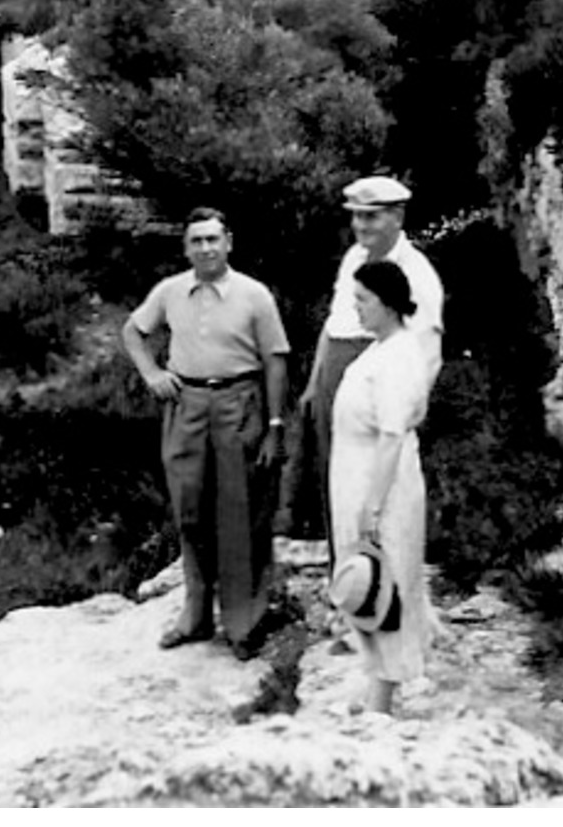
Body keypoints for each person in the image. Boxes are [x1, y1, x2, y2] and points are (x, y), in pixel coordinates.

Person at [123, 207, 290, 661]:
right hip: (186, 405)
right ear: (185, 247)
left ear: (229, 242)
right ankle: (195, 616)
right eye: (196, 241)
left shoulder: (254, 295)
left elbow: (276, 360)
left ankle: (243, 623)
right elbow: (133, 332)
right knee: (190, 509)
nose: (205, 249)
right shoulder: (171, 291)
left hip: (240, 402)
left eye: (213, 239)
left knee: (240, 511)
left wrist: (275, 426)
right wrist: (152, 373)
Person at [283, 175, 444, 557]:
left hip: (378, 385)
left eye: (371, 217)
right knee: (337, 480)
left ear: (397, 217)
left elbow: (425, 354)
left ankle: (380, 587)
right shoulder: (355, 258)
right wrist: (314, 383)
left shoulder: (416, 274)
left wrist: (404, 414)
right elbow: (334, 322)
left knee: (379, 486)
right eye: (356, 217)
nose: (361, 226)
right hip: (336, 380)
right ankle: (347, 576)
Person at [326, 258, 437, 714]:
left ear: (389, 304)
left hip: (382, 482)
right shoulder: (379, 349)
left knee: (387, 581)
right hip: (355, 473)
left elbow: (392, 434)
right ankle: (375, 682)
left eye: (364, 301)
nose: (357, 310)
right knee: (366, 582)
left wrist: (372, 505)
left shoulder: (399, 356)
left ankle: (385, 698)